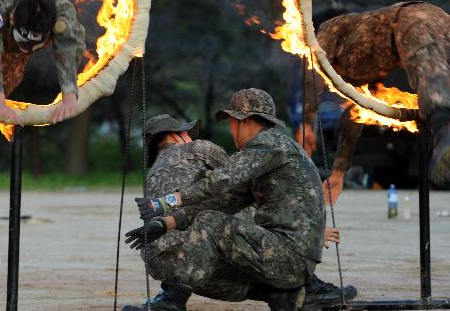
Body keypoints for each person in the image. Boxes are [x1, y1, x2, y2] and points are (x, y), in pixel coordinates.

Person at [122, 113, 354, 311]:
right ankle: (306, 286)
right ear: (179, 135)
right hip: (208, 249)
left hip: (163, 264)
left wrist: (166, 222)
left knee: (217, 226)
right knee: (245, 202)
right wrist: (310, 231)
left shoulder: (153, 173)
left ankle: (281, 295)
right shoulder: (199, 148)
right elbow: (236, 182)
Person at [301, 2, 450, 198]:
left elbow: (312, 75)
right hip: (444, 22)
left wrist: (306, 123)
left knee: (429, 74)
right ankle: (444, 132)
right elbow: (355, 115)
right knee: (446, 86)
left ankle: (443, 130)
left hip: (412, 19)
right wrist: (338, 173)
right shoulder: (362, 73)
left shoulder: (328, 29)